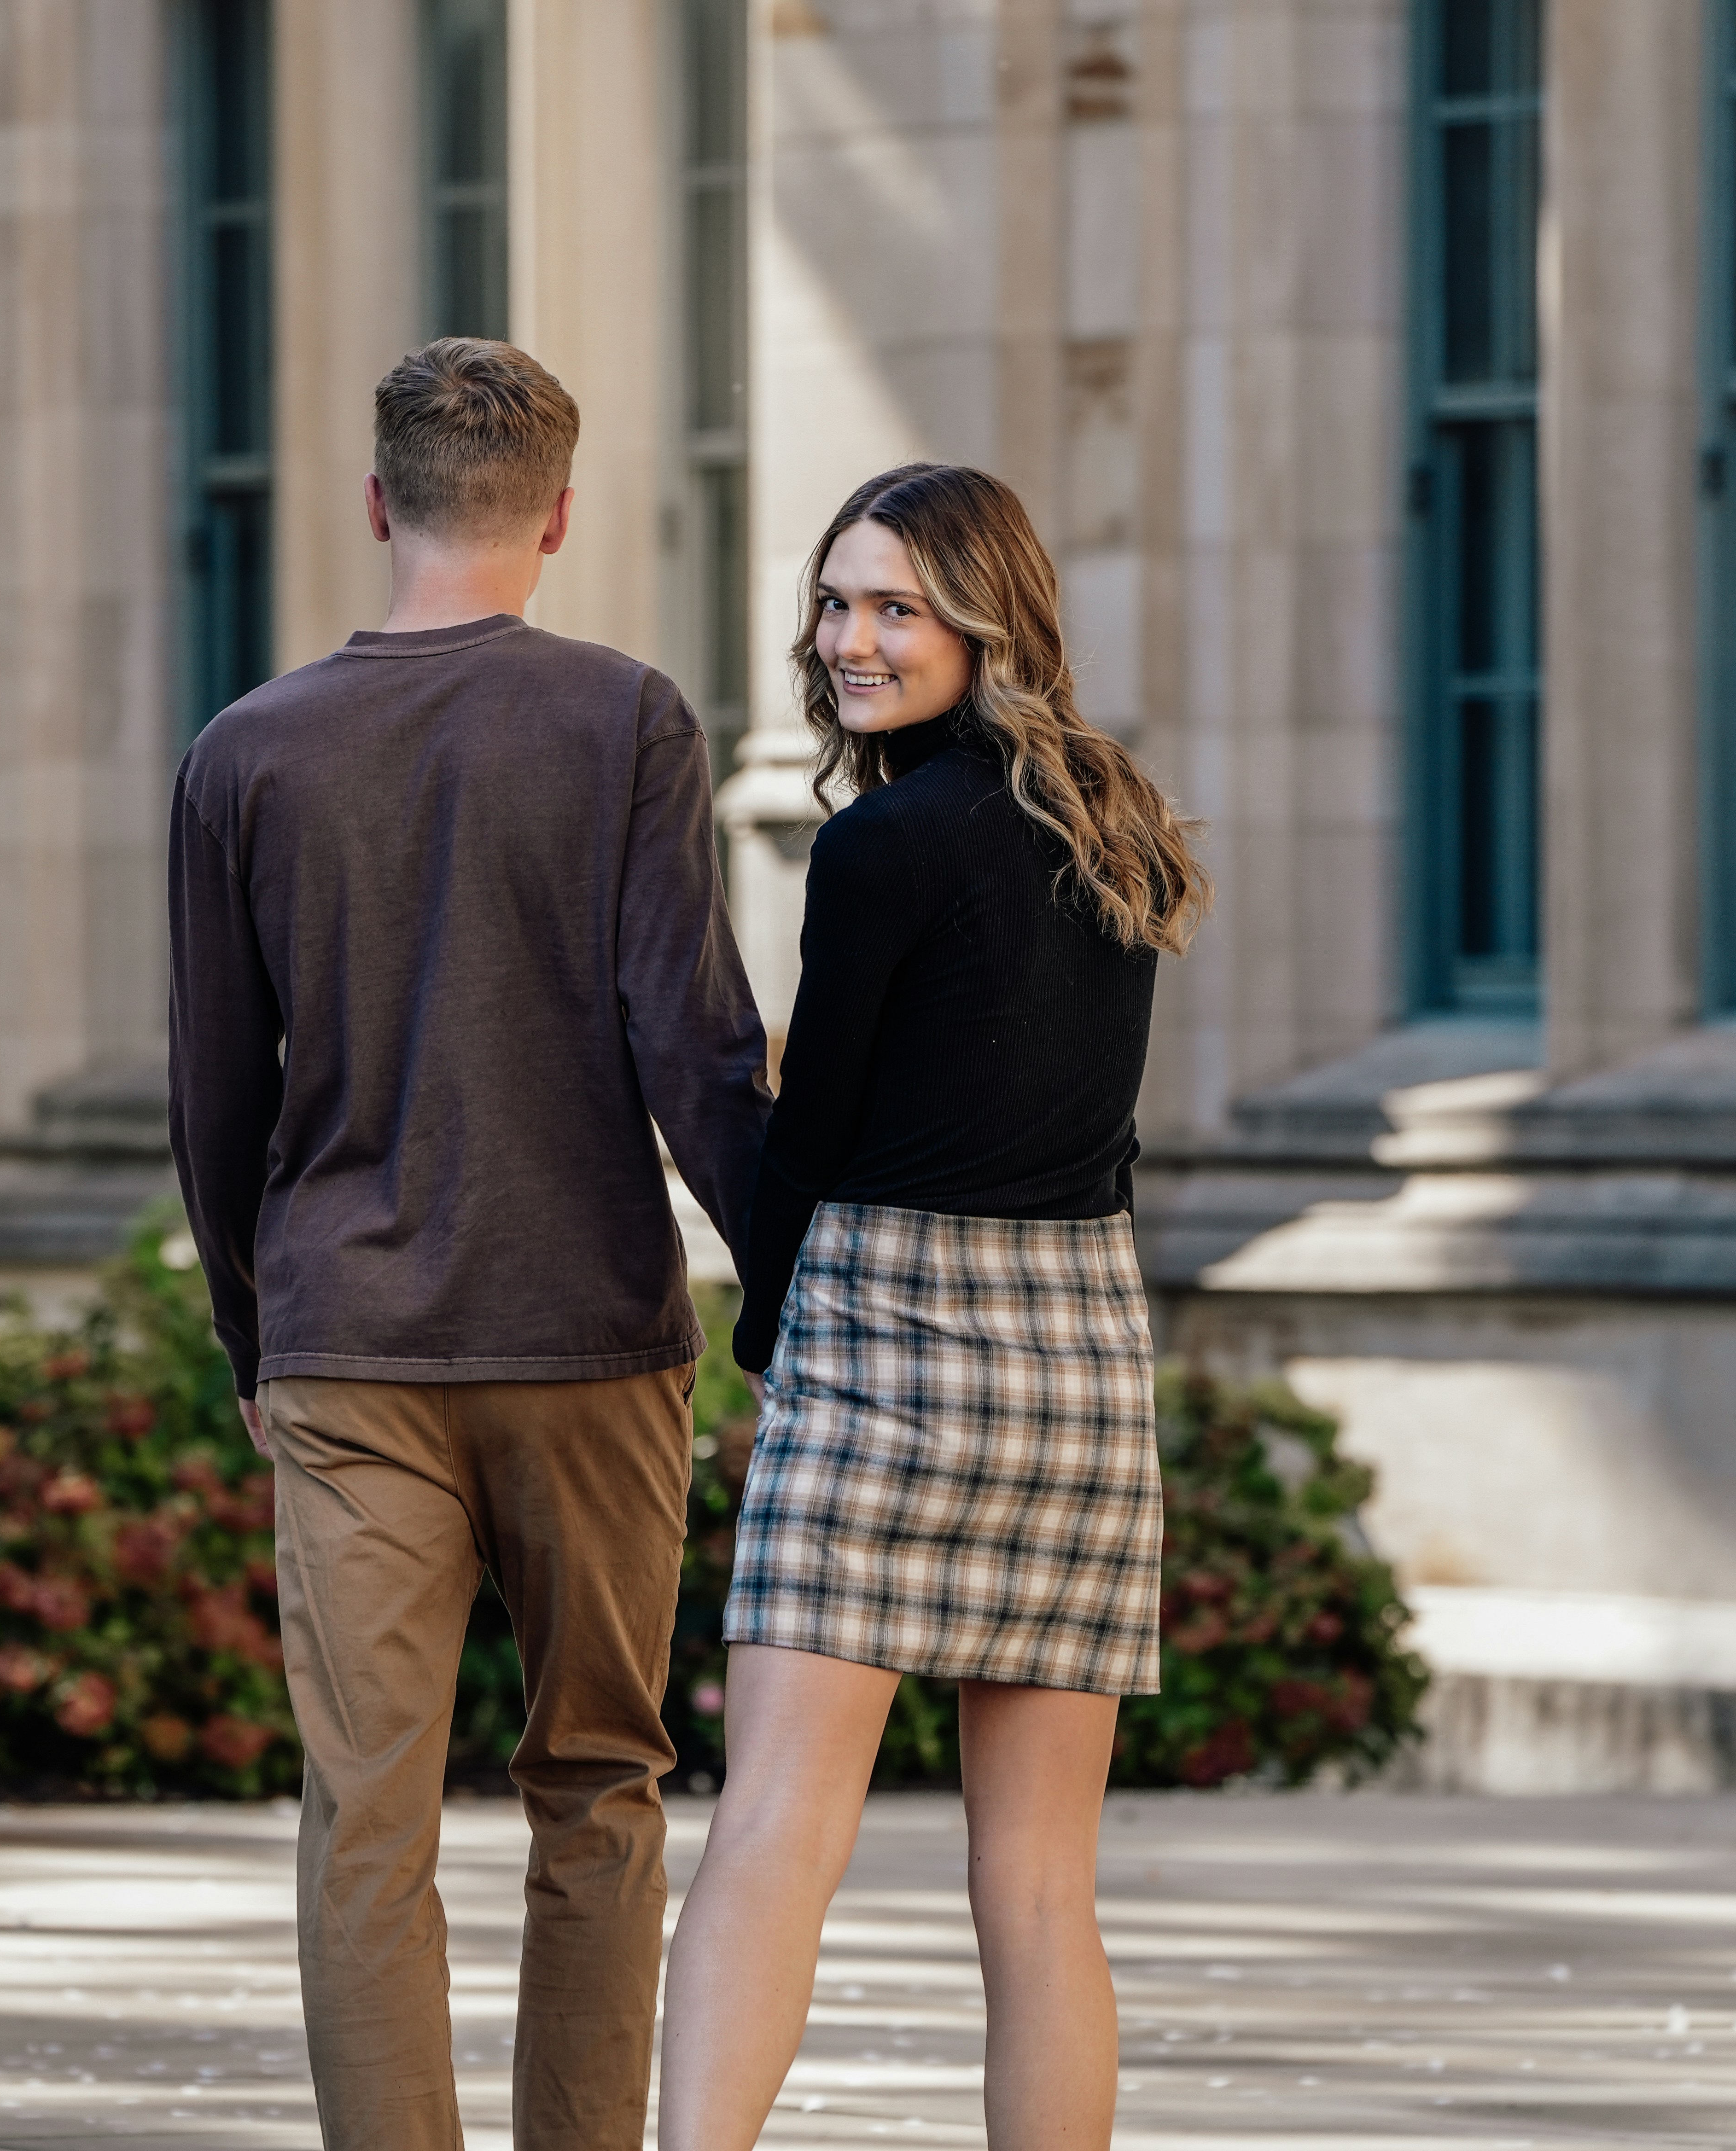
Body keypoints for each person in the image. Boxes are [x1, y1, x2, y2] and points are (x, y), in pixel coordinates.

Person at [167, 336, 771, 2151]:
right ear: (562, 517)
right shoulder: (627, 721)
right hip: (591, 1331)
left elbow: (217, 1099)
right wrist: (798, 1289)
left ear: (378, 504)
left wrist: (250, 1341)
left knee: (369, 1815)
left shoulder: (245, 754)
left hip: (349, 1341)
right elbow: (701, 1044)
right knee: (598, 1785)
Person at [657, 463, 1210, 2151]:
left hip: (891, 1345)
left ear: (986, 617)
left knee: (776, 1833)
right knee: (1042, 1894)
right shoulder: (1116, 826)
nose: (850, 640)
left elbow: (814, 1128)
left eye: (895, 607)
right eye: (834, 604)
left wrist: (760, 1332)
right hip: (1081, 1369)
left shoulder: (884, 844)